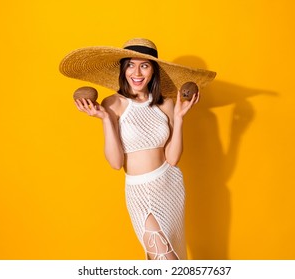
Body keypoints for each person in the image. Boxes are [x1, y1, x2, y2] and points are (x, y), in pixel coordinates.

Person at [60, 38, 216, 260]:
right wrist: (105, 119)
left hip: (169, 185)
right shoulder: (113, 104)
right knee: (164, 258)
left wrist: (180, 118)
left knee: (171, 258)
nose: (137, 72)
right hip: (139, 191)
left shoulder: (167, 104)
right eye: (131, 65)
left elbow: (172, 159)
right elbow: (115, 163)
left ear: (153, 71)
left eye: (144, 65)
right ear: (123, 69)